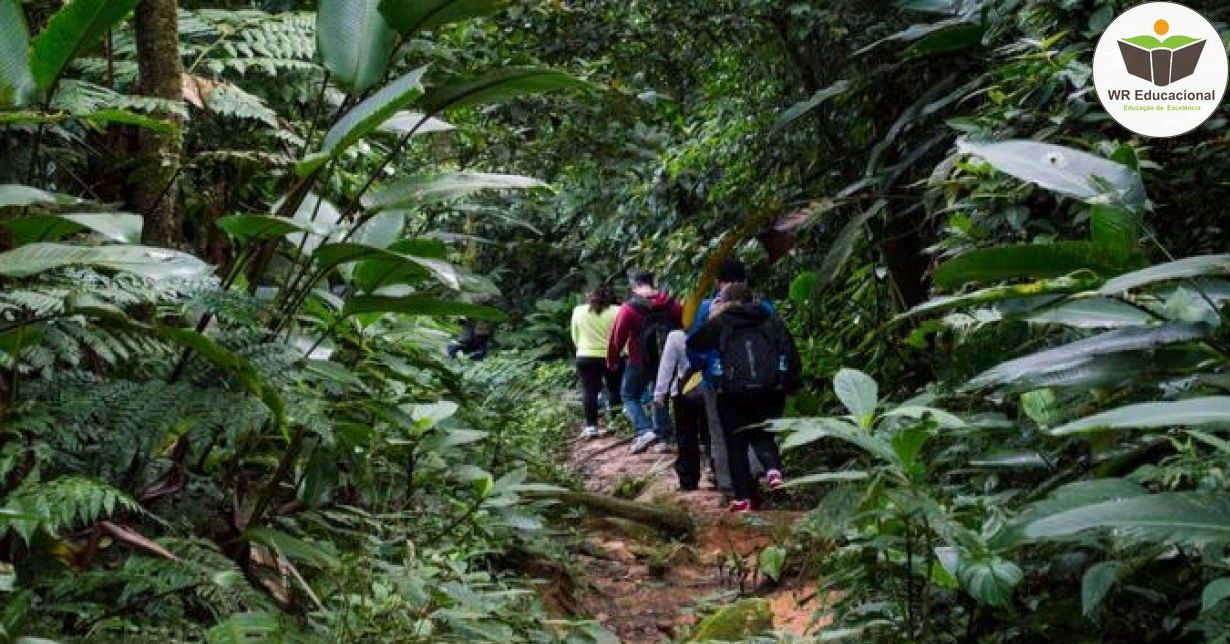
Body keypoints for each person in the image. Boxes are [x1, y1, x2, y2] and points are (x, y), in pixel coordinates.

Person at [688, 282, 800, 513]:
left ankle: (744, 499)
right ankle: (773, 470)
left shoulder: (721, 322)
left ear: (725, 300)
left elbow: (694, 345)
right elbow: (790, 351)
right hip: (769, 389)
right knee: (764, 433)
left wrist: (713, 316)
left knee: (736, 444)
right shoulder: (770, 319)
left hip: (731, 393)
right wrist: (789, 383)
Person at [687, 258, 775, 494]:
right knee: (758, 429)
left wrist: (700, 369)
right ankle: (759, 474)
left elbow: (695, 348)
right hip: (761, 380)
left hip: (719, 381)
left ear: (717, 283)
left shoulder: (708, 309)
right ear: (745, 281)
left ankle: (729, 485)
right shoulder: (762, 307)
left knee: (721, 433)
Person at [607, 270, 682, 453]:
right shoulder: (671, 302)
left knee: (628, 394)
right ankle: (663, 438)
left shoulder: (629, 307)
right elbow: (681, 324)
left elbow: (618, 337)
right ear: (653, 282)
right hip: (666, 357)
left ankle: (644, 430)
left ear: (634, 284)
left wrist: (613, 360)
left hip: (640, 358)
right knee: (660, 393)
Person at [654, 329, 706, 490]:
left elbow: (667, 365)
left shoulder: (676, 336)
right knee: (712, 434)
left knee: (686, 436)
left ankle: (688, 479)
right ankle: (720, 474)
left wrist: (660, 393)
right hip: (711, 388)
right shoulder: (716, 328)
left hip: (685, 391)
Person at [571, 284, 623, 439]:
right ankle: (615, 422)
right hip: (611, 356)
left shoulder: (578, 311)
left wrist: (582, 348)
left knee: (589, 391)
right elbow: (622, 334)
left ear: (588, 296)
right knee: (614, 389)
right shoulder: (618, 311)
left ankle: (591, 427)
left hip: (585, 356)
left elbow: (575, 336)